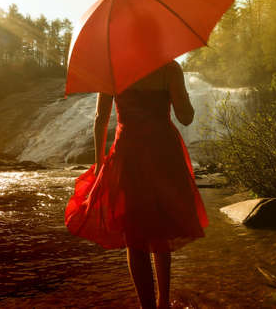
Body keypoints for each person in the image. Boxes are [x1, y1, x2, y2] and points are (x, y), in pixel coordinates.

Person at [65, 60, 208, 309]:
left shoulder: (112, 69)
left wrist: (99, 166)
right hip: (164, 152)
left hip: (129, 153)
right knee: (161, 224)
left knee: (135, 232)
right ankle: (164, 302)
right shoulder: (170, 68)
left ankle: (147, 306)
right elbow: (186, 118)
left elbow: (100, 119)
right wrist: (180, 94)